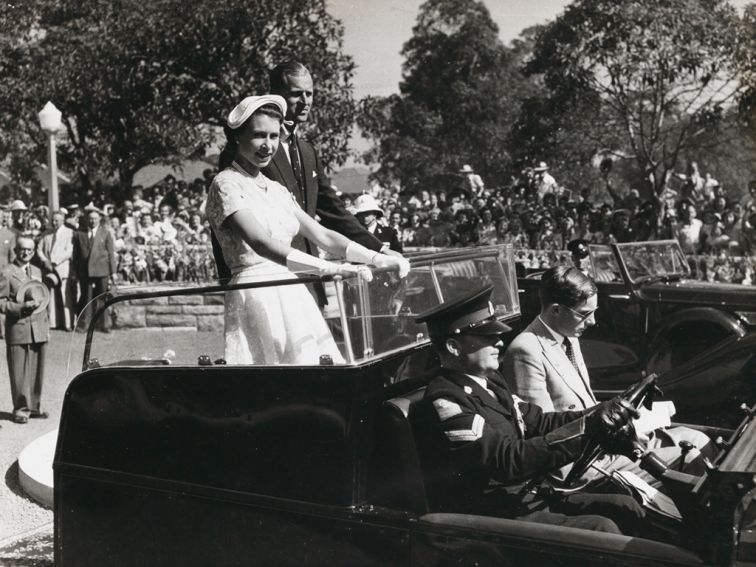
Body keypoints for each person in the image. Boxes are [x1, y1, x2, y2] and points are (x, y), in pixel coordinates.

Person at [413, 286, 645, 535]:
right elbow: (507, 460)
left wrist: (599, 412)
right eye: (486, 337)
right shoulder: (446, 399)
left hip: (527, 498)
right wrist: (587, 430)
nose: (499, 342)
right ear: (453, 347)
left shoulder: (491, 382)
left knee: (625, 506)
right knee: (603, 528)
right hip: (494, 517)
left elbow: (537, 421)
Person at [206, 95, 409, 365]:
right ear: (237, 138)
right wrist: (327, 269)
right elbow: (260, 242)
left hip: (291, 291)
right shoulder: (226, 184)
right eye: (258, 136)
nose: (268, 145)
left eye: (274, 136)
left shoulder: (276, 189)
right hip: (256, 294)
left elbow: (322, 234)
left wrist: (375, 256)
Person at [501, 266, 713, 486]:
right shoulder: (525, 350)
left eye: (594, 311)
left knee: (700, 441)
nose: (592, 321)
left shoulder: (567, 335)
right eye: (584, 313)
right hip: (583, 464)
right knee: (692, 459)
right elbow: (544, 432)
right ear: (556, 310)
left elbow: (584, 403)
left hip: (606, 444)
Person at [211, 61, 393, 283]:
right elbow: (229, 222)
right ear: (276, 95)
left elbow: (333, 213)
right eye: (297, 94)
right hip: (264, 275)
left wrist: (377, 252)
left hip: (312, 274)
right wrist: (227, 279)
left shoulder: (307, 152)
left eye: (310, 93)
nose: (305, 101)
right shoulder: (242, 157)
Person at [0, 237, 50, 424]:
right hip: (18, 327)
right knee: (19, 371)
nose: (26, 253)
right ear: (15, 249)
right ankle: (21, 408)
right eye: (22, 249)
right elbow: (1, 302)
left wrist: (47, 324)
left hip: (39, 325)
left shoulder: (37, 270)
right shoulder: (6, 272)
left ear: (34, 250)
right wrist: (21, 307)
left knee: (37, 369)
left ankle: (34, 406)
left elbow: (44, 298)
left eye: (30, 249)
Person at [72, 208, 116, 331]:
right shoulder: (79, 234)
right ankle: (85, 324)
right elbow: (75, 255)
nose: (92, 221)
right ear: (87, 219)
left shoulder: (105, 233)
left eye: (95, 218)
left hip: (102, 270)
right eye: (90, 218)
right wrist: (75, 271)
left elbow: (111, 254)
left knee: (103, 298)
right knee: (87, 298)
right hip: (85, 271)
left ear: (99, 219)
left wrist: (113, 272)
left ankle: (105, 324)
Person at [36, 210, 75, 331]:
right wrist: (45, 261)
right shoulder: (46, 233)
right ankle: (53, 323)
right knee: (51, 295)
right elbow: (39, 249)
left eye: (57, 220)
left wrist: (54, 261)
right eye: (53, 220)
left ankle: (68, 323)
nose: (54, 222)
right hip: (48, 269)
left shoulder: (69, 233)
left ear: (63, 220)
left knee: (65, 296)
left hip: (62, 268)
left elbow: (69, 251)